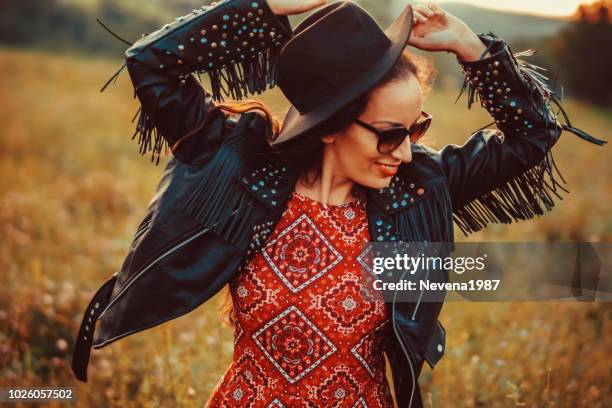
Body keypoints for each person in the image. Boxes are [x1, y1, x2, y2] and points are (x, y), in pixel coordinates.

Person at [71, 1, 606, 407]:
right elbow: (151, 64)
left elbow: (535, 133)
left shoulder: (417, 188)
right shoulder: (246, 173)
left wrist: (471, 48)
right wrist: (265, 7)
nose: (407, 150)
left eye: (417, 129)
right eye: (389, 133)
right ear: (328, 128)